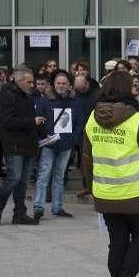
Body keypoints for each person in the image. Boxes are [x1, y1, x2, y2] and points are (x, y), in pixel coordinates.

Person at [82, 71, 139, 277]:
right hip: (138, 193)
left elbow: (87, 157)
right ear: (127, 89)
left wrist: (90, 187)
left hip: (107, 193)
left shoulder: (92, 119)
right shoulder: (138, 119)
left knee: (117, 241)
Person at [0, 67, 44, 226]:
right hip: (14, 144)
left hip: (29, 143)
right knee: (14, 177)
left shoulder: (28, 96)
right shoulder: (7, 95)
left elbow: (29, 118)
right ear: (19, 81)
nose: (32, 85)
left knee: (23, 181)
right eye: (29, 82)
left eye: (32, 82)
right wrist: (31, 122)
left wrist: (41, 130)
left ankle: (20, 213)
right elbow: (7, 122)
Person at [33, 71, 84, 219]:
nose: (61, 86)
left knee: (59, 177)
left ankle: (57, 207)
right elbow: (39, 121)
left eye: (64, 83)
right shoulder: (45, 101)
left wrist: (73, 140)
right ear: (53, 84)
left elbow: (80, 123)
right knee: (44, 176)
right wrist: (44, 135)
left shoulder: (76, 102)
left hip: (66, 145)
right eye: (58, 83)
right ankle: (38, 207)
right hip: (49, 144)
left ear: (69, 85)